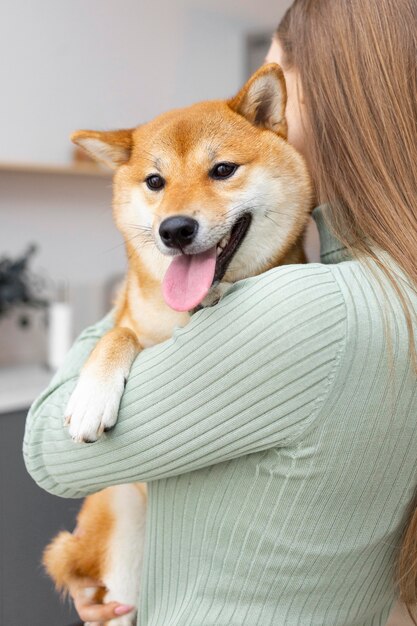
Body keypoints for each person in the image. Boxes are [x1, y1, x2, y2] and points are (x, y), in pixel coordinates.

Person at [24, 0, 417, 624]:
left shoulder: (302, 310)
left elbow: (51, 452)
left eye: (273, 88)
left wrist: (131, 296)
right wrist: (123, 566)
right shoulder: (391, 285)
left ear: (319, 99)